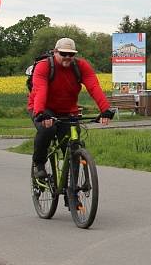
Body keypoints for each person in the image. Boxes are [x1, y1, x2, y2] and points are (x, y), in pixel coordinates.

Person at [28, 38, 115, 179]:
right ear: (55, 52)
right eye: (63, 53)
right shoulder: (44, 66)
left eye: (71, 54)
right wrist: (40, 113)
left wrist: (105, 109)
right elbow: (40, 90)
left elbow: (94, 87)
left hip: (68, 110)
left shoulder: (81, 66)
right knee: (47, 129)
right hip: (43, 108)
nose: (67, 57)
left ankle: (71, 192)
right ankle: (39, 164)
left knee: (72, 147)